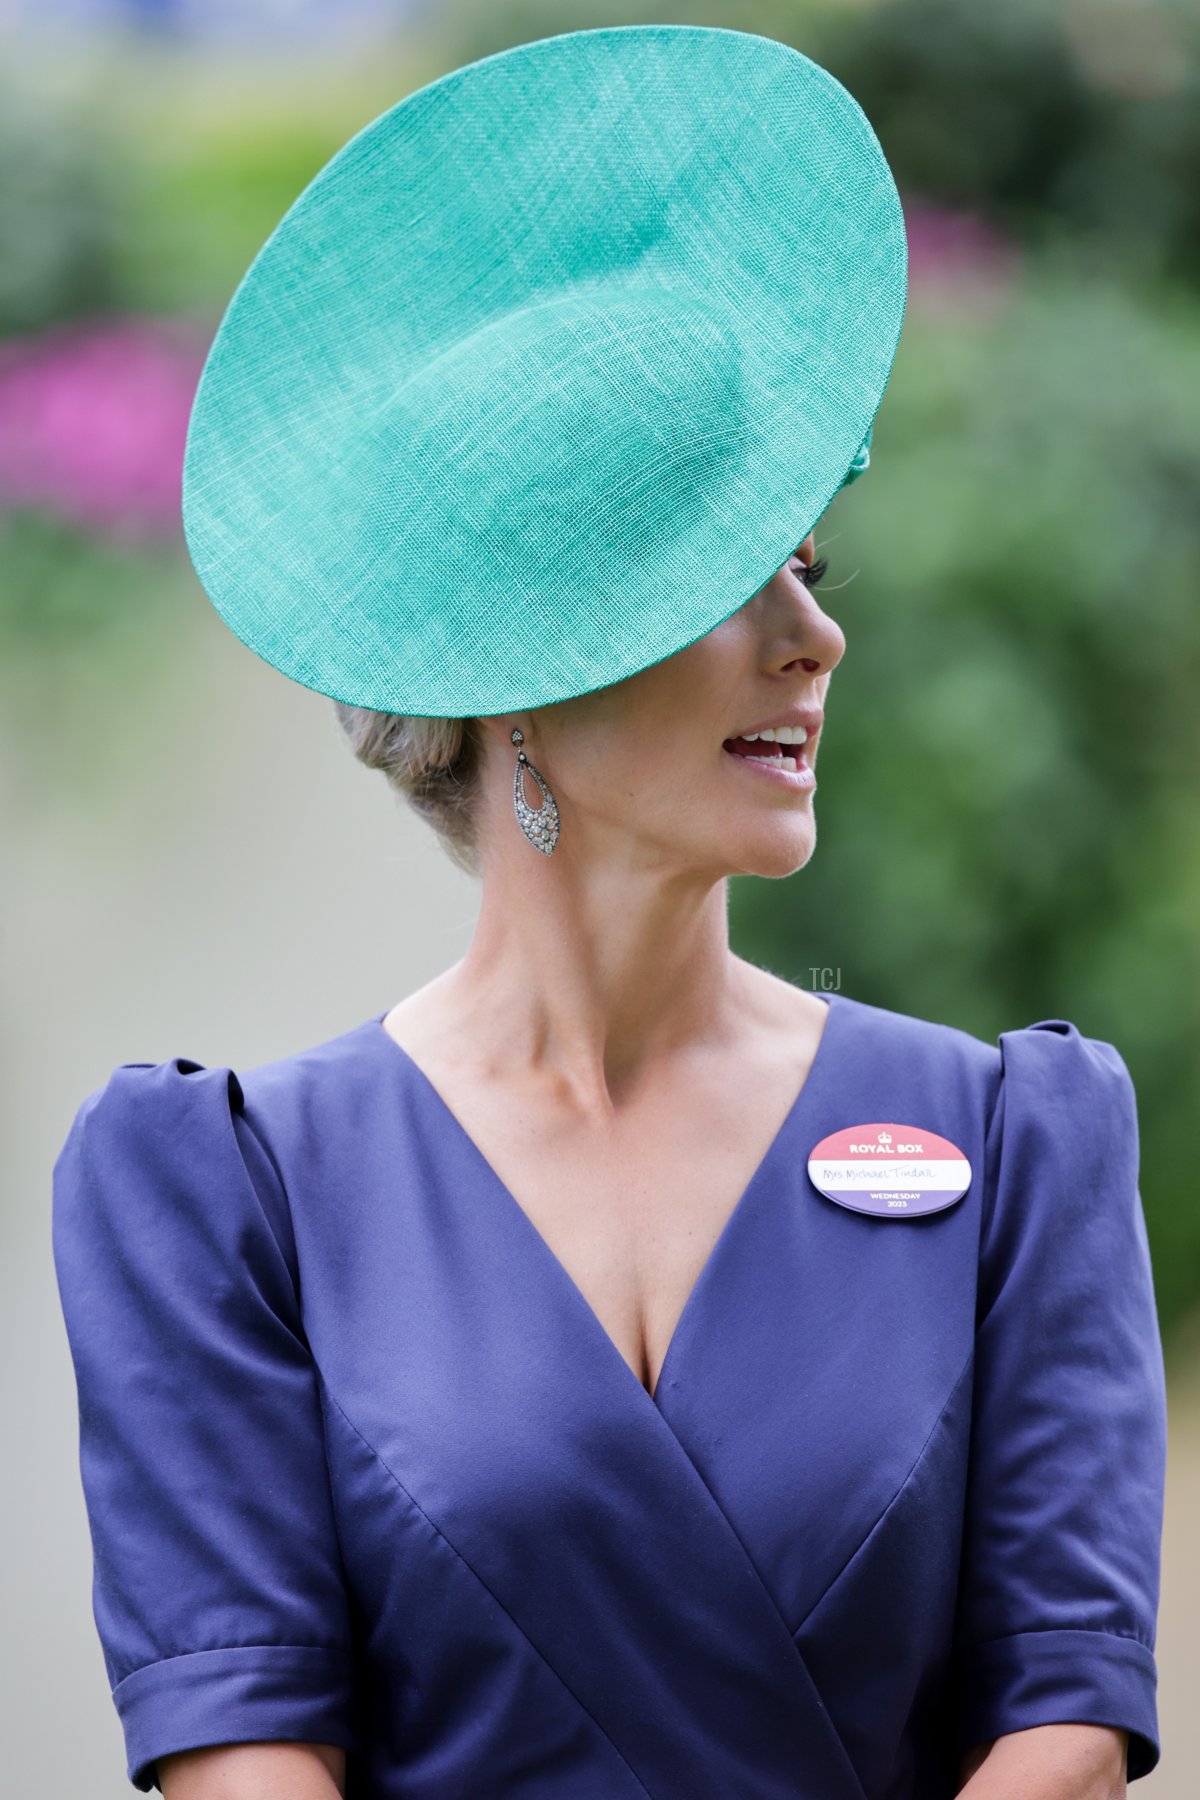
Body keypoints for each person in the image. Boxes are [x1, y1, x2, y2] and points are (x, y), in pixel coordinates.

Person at [51, 23, 1166, 1800]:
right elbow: (245, 1757)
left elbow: (1071, 1714)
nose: (819, 641)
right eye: (739, 577)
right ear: (527, 671)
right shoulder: (226, 1188)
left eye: (810, 563)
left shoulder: (1019, 1143)